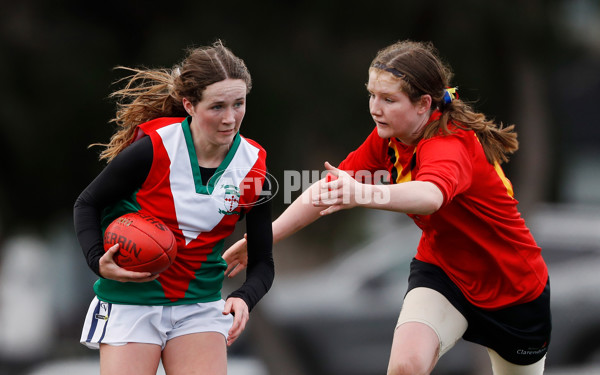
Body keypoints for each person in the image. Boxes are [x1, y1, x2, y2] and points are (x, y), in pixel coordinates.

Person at [223, 40, 550, 375]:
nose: (374, 108)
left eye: (388, 99)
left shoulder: (451, 144)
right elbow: (330, 187)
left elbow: (430, 196)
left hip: (512, 289)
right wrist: (265, 237)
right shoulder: (390, 138)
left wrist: (362, 194)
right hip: (444, 272)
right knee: (406, 367)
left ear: (424, 104)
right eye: (372, 95)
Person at [74, 40, 274, 375]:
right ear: (189, 105)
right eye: (217, 107)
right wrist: (98, 261)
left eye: (238, 104)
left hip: (200, 305)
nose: (230, 118)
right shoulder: (154, 148)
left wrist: (244, 298)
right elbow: (87, 203)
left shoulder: (254, 167)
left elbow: (263, 262)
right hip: (131, 302)